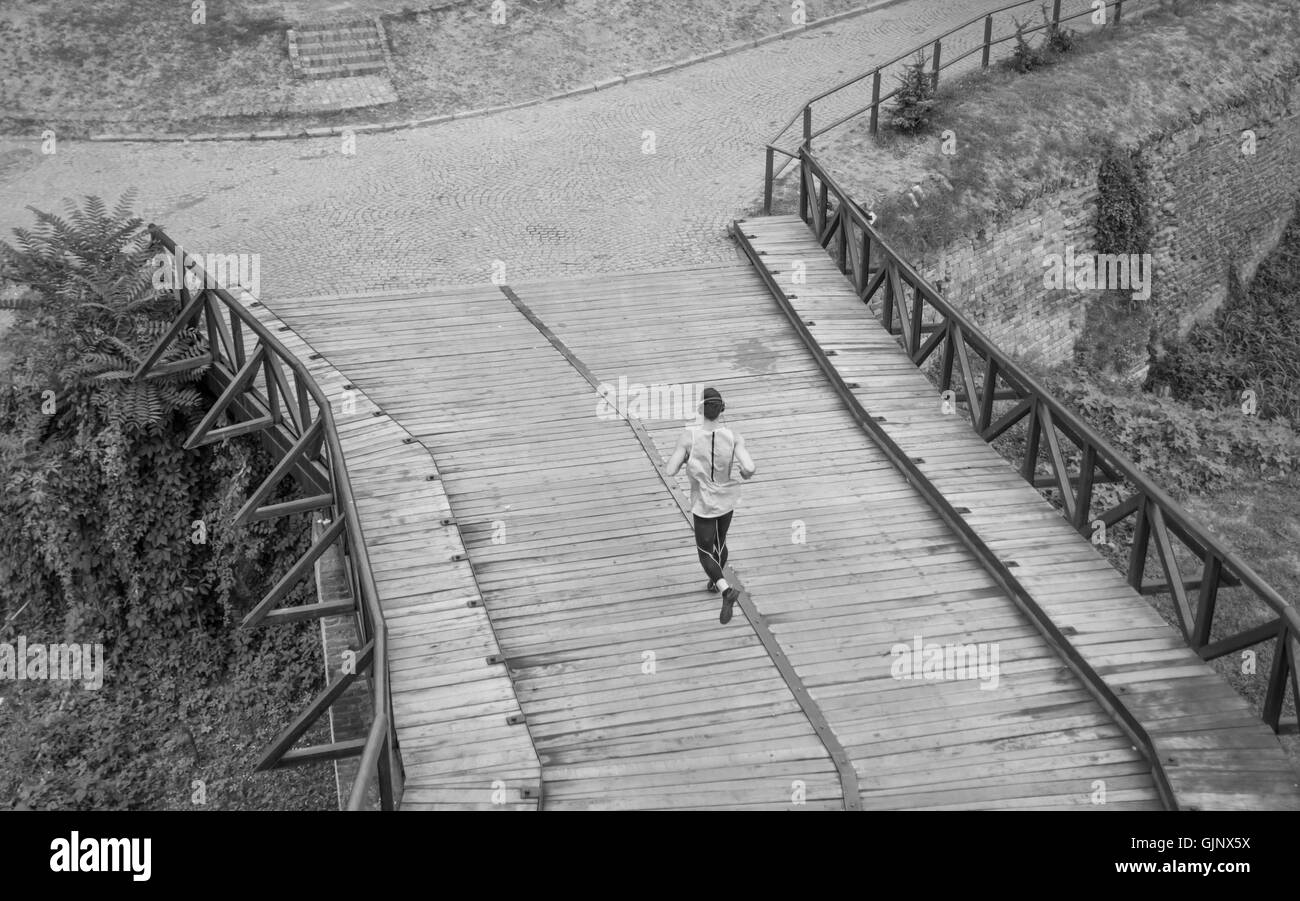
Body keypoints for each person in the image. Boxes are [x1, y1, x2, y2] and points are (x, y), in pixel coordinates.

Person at [663, 387, 756, 624]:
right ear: (721, 409)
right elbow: (749, 468)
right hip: (726, 498)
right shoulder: (735, 437)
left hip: (704, 500)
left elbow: (670, 470)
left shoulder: (688, 437)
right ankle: (714, 582)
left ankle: (725, 589)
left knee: (704, 551)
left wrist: (684, 457)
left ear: (700, 409)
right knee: (720, 542)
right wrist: (744, 473)